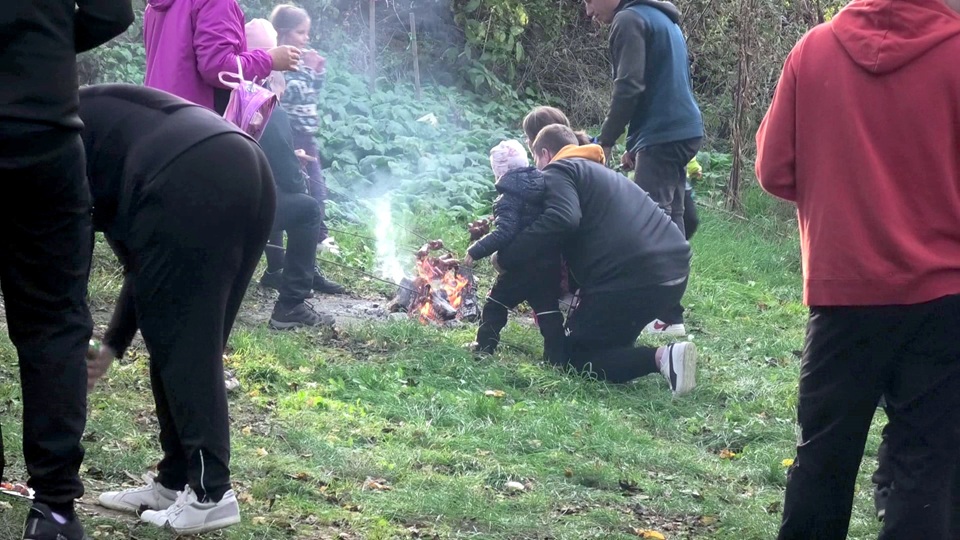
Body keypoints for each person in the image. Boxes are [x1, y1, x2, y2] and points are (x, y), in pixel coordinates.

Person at [755, 0, 960, 536]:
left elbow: (774, 169)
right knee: (927, 465)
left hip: (843, 295)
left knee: (822, 460)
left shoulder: (814, 50)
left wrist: (841, 193)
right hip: (945, 298)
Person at [79, 84, 276, 534]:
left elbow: (72, 258)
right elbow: (143, 270)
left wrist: (79, 338)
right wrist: (111, 344)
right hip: (244, 160)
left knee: (186, 344)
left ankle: (210, 493)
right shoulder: (75, 113)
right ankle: (176, 481)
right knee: (177, 334)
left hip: (189, 172)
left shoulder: (48, 141)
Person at [1, 2, 133, 539]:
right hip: (43, 133)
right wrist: (43, 43)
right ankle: (53, 510)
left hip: (43, 130)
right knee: (53, 322)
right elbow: (110, 11)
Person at [501, 124, 697, 395]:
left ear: (545, 154)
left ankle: (664, 357)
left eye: (536, 160)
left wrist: (507, 256)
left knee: (572, 357)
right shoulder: (599, 172)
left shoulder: (558, 171)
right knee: (607, 346)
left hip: (632, 277)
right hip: (674, 272)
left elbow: (563, 218)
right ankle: (661, 359)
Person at [586, 0, 704, 335]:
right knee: (671, 217)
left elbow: (630, 87)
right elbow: (659, 84)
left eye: (589, 0)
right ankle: (669, 314)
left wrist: (606, 140)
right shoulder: (660, 17)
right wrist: (638, 142)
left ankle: (662, 313)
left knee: (649, 222)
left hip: (664, 132)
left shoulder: (628, 19)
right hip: (682, 128)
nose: (588, 12)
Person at [463, 140, 565, 363]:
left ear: (499, 171)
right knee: (548, 310)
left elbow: (505, 232)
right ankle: (557, 358)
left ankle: (483, 348)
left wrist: (476, 250)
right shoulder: (544, 187)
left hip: (521, 267)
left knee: (495, 305)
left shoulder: (507, 197)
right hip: (548, 264)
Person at [143, 0, 301, 114]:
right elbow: (219, 68)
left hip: (158, 113)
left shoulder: (155, 6)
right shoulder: (217, 2)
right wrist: (269, 60)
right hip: (195, 124)